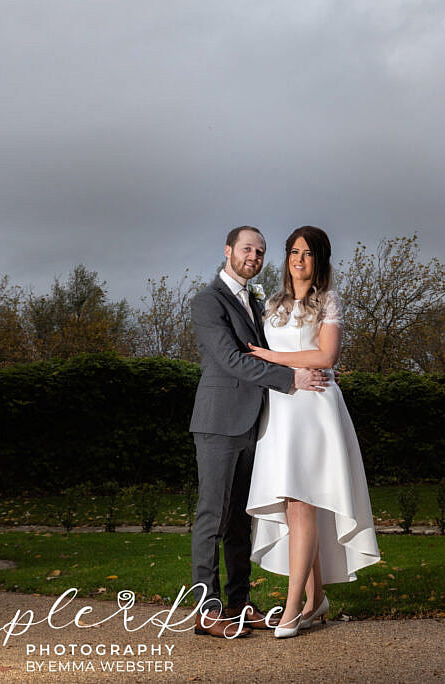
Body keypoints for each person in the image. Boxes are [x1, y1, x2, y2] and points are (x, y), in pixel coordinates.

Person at [189, 226, 329, 639]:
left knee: (238, 521)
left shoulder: (255, 302)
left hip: (255, 423)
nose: (254, 255)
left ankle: (238, 602)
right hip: (218, 422)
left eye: (261, 250)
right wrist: (292, 380)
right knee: (211, 517)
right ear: (228, 250)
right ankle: (205, 608)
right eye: (247, 248)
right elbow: (232, 360)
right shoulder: (207, 300)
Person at [246, 226, 381, 639]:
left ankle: (291, 608)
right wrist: (282, 369)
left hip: (315, 411)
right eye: (292, 252)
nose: (298, 259)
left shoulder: (327, 301)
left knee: (302, 502)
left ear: (320, 260)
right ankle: (315, 597)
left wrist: (270, 355)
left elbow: (326, 355)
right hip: (282, 409)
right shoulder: (271, 303)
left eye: (307, 253)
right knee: (292, 504)